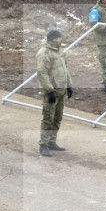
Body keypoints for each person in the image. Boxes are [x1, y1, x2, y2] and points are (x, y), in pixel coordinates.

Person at [35, 29, 73, 157]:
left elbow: (65, 70)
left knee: (57, 117)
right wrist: (49, 90)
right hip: (51, 92)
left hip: (61, 91)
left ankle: (52, 141)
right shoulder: (44, 53)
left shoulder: (60, 52)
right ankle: (43, 145)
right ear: (52, 39)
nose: (60, 40)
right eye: (58, 38)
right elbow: (42, 73)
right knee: (48, 118)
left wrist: (69, 85)